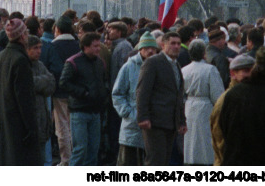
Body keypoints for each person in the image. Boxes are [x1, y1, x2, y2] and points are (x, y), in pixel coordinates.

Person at [0, 18, 41, 165]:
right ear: (22, 36)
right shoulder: (20, 60)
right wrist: (32, 128)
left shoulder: (0, 57)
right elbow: (25, 99)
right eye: (25, 32)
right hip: (19, 127)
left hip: (5, 121)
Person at [136, 31, 187, 165]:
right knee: (155, 160)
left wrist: (181, 120)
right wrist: (143, 117)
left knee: (165, 160)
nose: (176, 47)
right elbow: (142, 91)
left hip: (170, 122)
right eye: (172, 43)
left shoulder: (176, 65)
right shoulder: (153, 62)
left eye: (178, 44)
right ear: (163, 45)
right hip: (155, 122)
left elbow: (178, 95)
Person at [60, 30, 109, 165]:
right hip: (79, 111)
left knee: (93, 150)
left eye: (99, 46)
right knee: (80, 149)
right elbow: (64, 83)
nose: (98, 49)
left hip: (95, 111)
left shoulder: (100, 62)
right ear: (85, 46)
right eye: (95, 46)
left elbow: (104, 80)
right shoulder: (73, 62)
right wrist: (83, 93)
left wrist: (104, 94)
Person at [113, 33, 159, 166]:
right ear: (140, 49)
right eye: (146, 47)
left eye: (152, 48)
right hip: (132, 127)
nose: (150, 51)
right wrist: (128, 113)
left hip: (153, 125)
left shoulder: (159, 66)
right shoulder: (128, 67)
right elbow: (117, 94)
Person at [182, 39, 225, 165]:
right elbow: (218, 95)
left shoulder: (184, 70)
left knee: (190, 142)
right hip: (206, 108)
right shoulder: (210, 70)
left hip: (189, 107)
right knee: (205, 142)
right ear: (203, 53)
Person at [47, 15, 80, 165]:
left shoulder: (52, 46)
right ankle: (77, 158)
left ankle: (66, 160)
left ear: (57, 29)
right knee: (75, 126)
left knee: (62, 127)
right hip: (77, 91)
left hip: (59, 92)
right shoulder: (78, 45)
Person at [211, 53, 253, 166]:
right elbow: (219, 139)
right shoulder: (226, 101)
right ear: (233, 74)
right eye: (246, 71)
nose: (251, 75)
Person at [28, 35, 56, 162]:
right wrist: (41, 83)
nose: (39, 51)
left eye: (40, 48)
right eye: (35, 48)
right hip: (30, 123)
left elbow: (52, 83)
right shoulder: (23, 65)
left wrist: (36, 83)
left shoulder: (40, 65)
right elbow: (26, 84)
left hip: (43, 121)